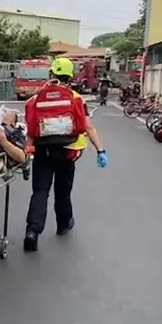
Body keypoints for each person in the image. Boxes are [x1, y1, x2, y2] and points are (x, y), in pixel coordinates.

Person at [24, 57, 108, 252]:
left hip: (43, 152)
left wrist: (28, 152)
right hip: (67, 153)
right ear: (70, 76)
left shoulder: (37, 98)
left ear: (51, 74)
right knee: (63, 191)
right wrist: (100, 150)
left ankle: (32, 232)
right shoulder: (76, 98)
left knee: (40, 192)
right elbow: (88, 127)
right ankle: (63, 224)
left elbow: (30, 130)